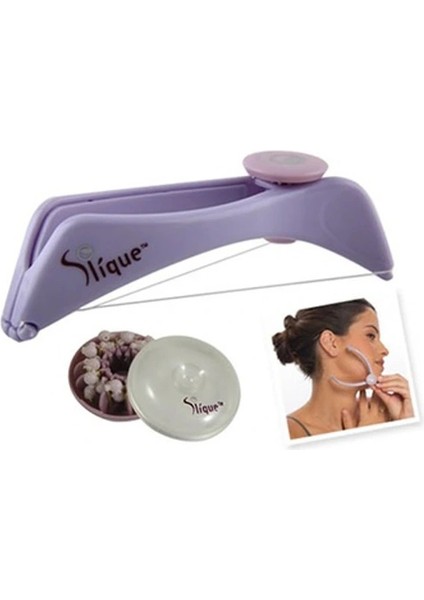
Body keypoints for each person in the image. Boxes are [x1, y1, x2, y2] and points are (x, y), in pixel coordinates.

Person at [272, 298, 413, 439]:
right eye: (371, 336)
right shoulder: (288, 433)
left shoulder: (393, 414)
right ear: (331, 343)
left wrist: (408, 422)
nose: (384, 350)